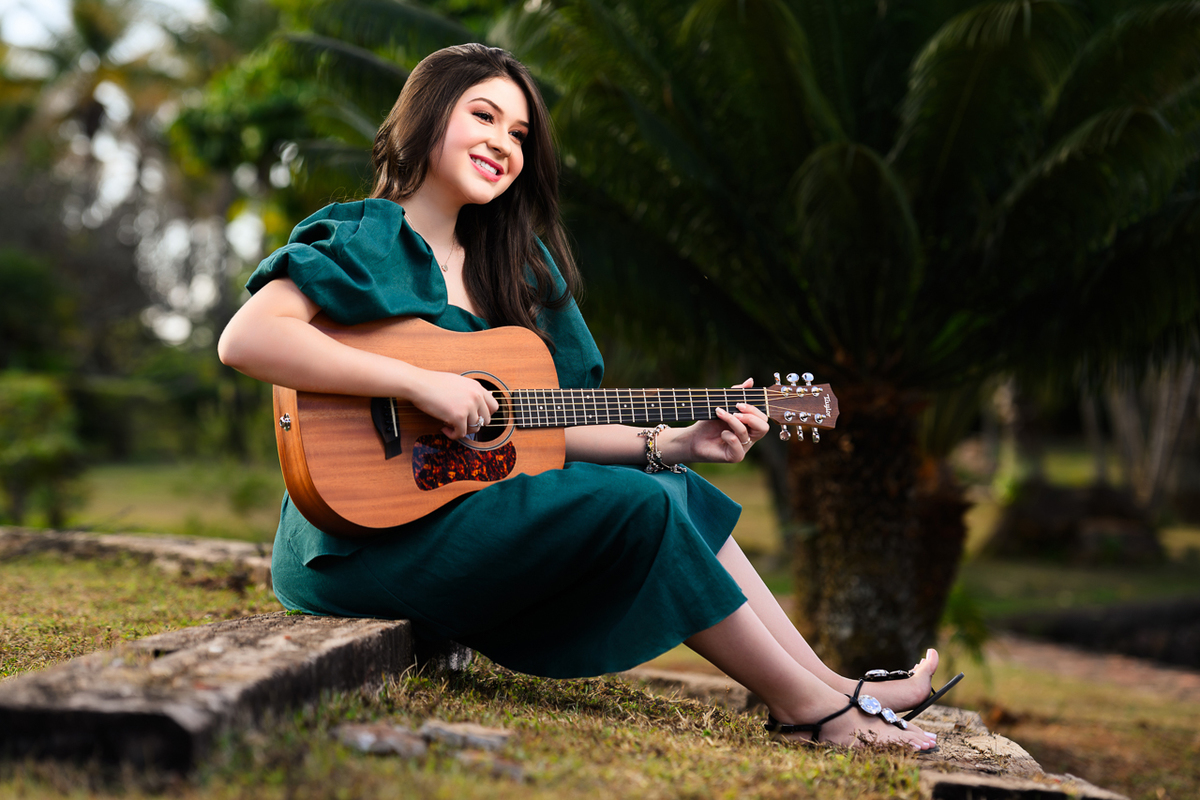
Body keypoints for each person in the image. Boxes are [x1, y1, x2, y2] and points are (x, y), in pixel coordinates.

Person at [218, 43, 954, 750]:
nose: (503, 143)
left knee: (676, 486)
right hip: (357, 544)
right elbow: (248, 340)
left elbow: (537, 430)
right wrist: (417, 382)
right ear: (426, 115)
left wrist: (674, 443)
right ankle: (811, 715)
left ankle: (828, 683)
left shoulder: (517, 268)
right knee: (641, 507)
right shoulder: (362, 239)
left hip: (468, 516)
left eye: (519, 133)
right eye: (482, 115)